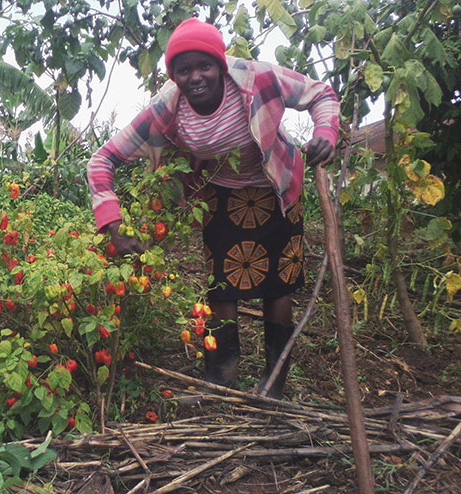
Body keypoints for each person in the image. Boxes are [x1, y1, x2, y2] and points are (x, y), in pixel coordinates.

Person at [86, 17, 339, 398]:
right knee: (221, 289)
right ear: (174, 75)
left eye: (204, 65)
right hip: (219, 196)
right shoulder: (166, 109)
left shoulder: (261, 80)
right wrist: (113, 224)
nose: (195, 77)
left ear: (221, 65)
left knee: (278, 287)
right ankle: (222, 379)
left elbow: (320, 93)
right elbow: (101, 160)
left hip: (276, 187)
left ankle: (274, 382)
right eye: (183, 70)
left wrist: (325, 133)